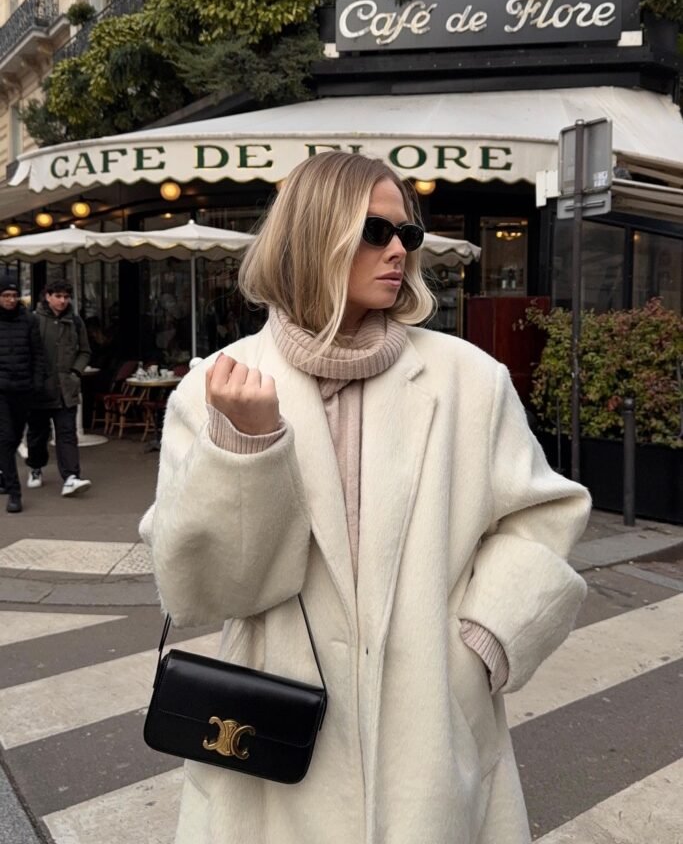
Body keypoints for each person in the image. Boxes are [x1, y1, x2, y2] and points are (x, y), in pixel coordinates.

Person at [140, 151, 591, 844]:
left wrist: (482, 645)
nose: (398, 252)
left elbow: (543, 513)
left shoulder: (466, 379)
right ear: (314, 236)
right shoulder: (219, 387)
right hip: (271, 738)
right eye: (374, 232)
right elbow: (202, 589)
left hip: (428, 735)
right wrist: (247, 449)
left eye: (406, 235)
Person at [26, 279, 92, 497]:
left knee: (67, 434)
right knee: (38, 434)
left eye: (66, 296)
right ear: (48, 296)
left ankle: (71, 476)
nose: (62, 301)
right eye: (58, 296)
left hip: (66, 388)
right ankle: (35, 467)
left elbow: (85, 351)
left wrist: (76, 372)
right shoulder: (33, 320)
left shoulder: (75, 320)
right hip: (40, 388)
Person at [0, 274, 45, 514]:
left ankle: (3, 475)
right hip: (1, 391)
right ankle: (14, 493)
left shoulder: (29, 321)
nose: (10, 299)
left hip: (24, 388)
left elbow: (38, 355)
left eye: (14, 295)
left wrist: (36, 383)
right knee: (6, 439)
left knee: (15, 437)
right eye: (6, 295)